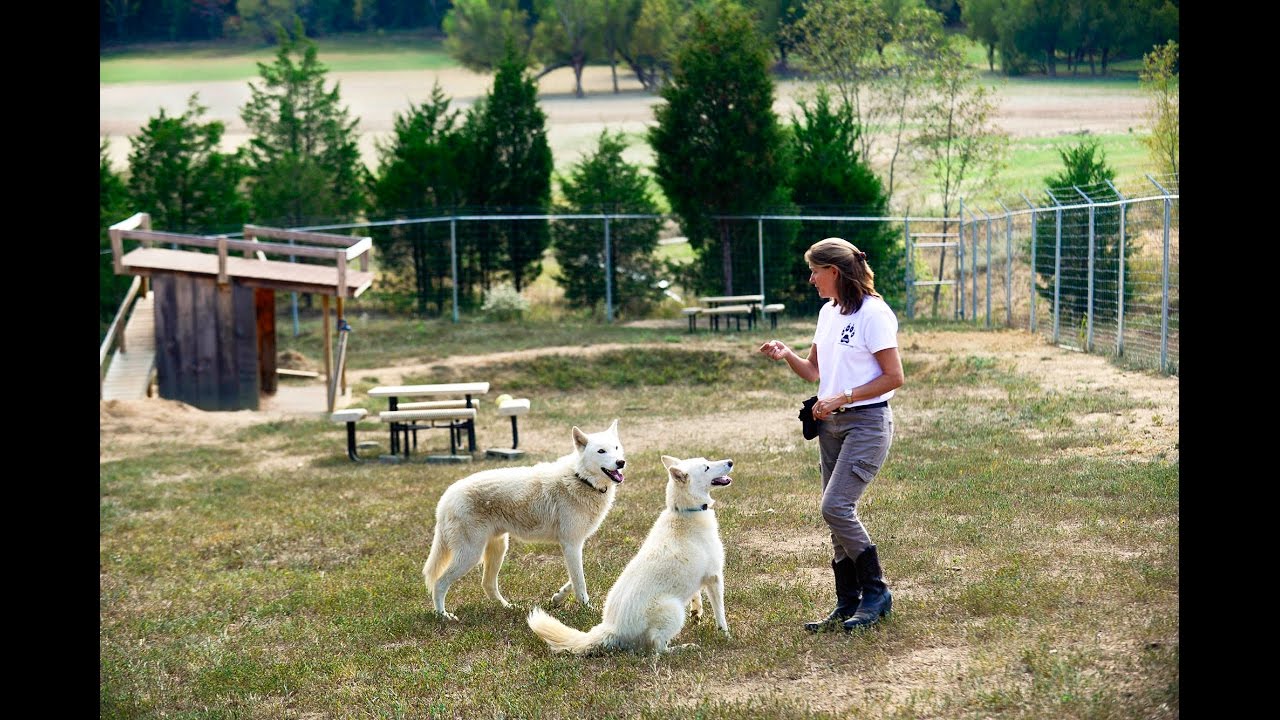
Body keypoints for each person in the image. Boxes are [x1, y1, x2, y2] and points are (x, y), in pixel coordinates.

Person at [758, 237, 904, 633]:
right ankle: (847, 602)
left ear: (834, 272)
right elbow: (812, 372)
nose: (810, 279)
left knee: (835, 508)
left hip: (867, 424)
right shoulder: (829, 313)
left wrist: (844, 396)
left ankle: (877, 592)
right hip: (831, 427)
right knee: (836, 516)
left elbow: (895, 377)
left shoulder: (875, 314)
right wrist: (787, 354)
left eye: (815, 271)